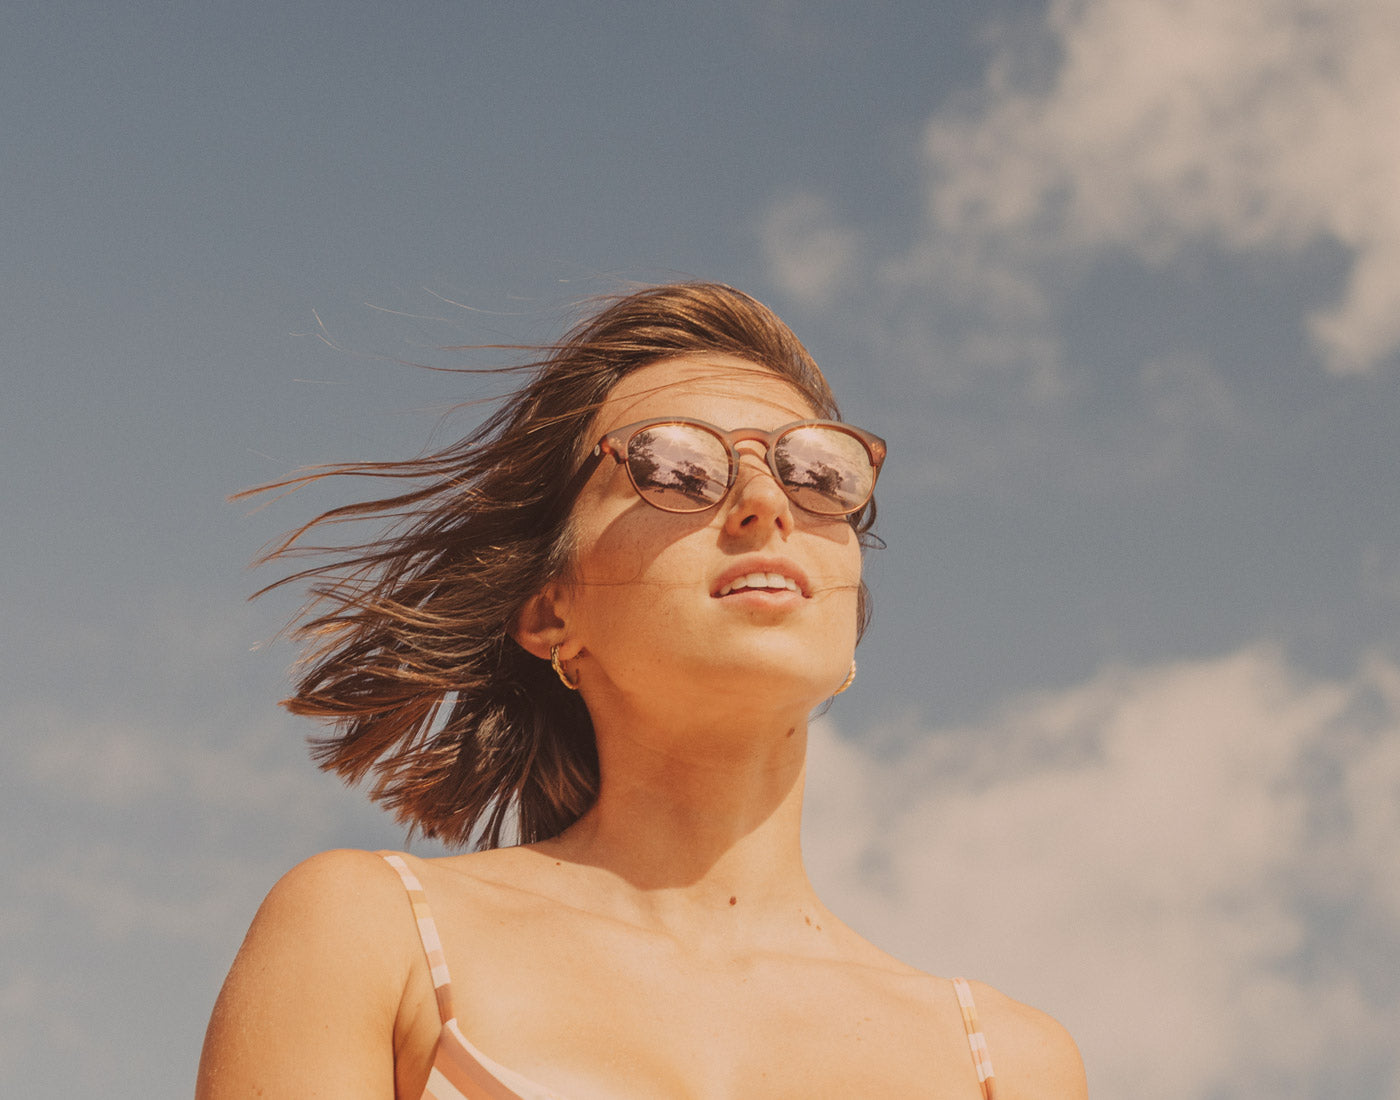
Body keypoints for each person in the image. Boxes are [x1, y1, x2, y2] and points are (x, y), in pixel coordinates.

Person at [196, 283, 1087, 1099]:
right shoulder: (372, 935)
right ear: (550, 613)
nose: (765, 503)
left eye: (818, 472)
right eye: (674, 468)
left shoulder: (1009, 1066)